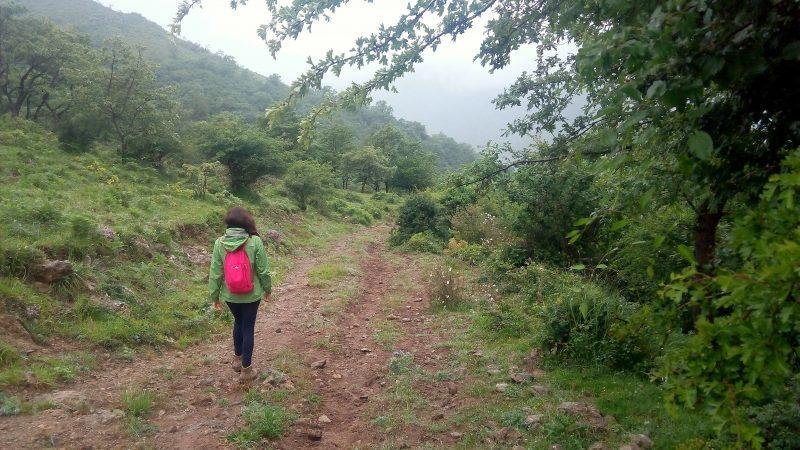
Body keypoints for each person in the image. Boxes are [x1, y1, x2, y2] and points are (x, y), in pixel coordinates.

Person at [208, 207, 272, 382]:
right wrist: (268, 289)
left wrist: (215, 296)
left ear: (228, 223)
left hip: (231, 295)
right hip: (252, 294)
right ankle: (247, 370)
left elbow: (215, 272)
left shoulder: (219, 243)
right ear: (246, 222)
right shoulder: (255, 241)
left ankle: (237, 359)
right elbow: (264, 270)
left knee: (238, 322)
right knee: (248, 326)